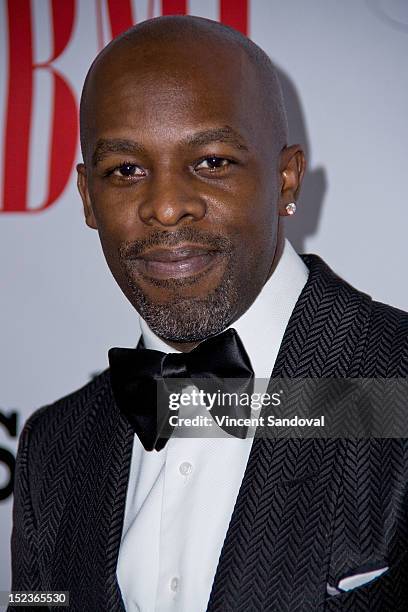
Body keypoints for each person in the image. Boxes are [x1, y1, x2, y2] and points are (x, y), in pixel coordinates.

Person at [9, 15, 408, 612]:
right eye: (126, 171)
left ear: (286, 177)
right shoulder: (54, 449)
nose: (166, 207)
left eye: (212, 162)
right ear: (88, 197)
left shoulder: (395, 385)